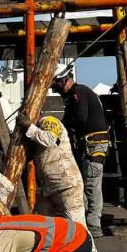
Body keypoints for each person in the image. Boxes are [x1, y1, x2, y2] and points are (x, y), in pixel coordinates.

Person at [16, 114, 101, 252]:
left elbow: (49, 139)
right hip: (50, 188)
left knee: (78, 226)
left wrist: (29, 127)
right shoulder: (36, 131)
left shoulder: (49, 122)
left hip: (67, 183)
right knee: (54, 229)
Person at [51, 64, 108, 238]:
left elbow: (80, 118)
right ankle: (85, 223)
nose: (55, 90)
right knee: (84, 183)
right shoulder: (74, 96)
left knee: (91, 184)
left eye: (55, 86)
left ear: (62, 81)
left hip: (93, 145)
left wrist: (60, 126)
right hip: (88, 145)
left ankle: (94, 226)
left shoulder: (79, 93)